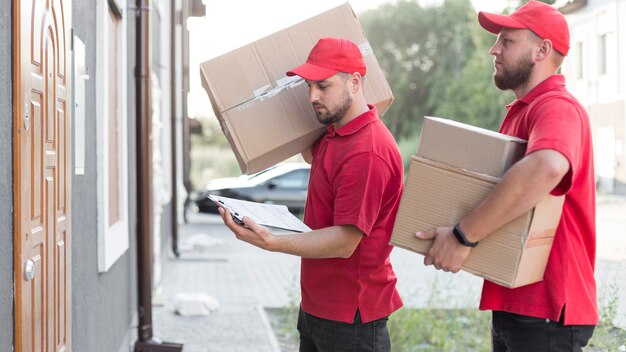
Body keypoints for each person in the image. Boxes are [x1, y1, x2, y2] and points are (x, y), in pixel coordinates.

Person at [415, 1, 597, 351]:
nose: (493, 49)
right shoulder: (523, 111)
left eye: (507, 41)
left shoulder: (556, 106)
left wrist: (462, 236)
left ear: (542, 49)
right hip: (518, 304)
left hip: (547, 308)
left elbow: (547, 166)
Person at [218, 36, 404, 352]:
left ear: (355, 82)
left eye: (323, 86)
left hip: (351, 320)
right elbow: (308, 153)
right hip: (318, 308)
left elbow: (345, 242)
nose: (312, 96)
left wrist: (271, 241)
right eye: (308, 86)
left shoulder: (367, 151)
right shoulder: (335, 134)